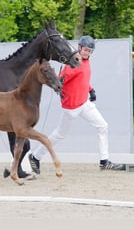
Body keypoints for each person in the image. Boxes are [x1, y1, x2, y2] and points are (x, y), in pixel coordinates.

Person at [28, 35, 124, 174]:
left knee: (102, 126)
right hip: (71, 107)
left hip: (84, 103)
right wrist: (60, 80)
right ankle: (35, 156)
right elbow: (59, 81)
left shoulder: (86, 62)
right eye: (85, 50)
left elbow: (82, 79)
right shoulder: (72, 65)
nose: (87, 53)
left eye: (90, 51)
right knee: (60, 134)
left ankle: (104, 161)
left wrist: (90, 89)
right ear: (79, 47)